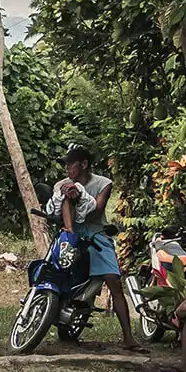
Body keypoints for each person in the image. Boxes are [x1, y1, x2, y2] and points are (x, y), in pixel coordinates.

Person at [50, 144, 142, 352]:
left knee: (113, 280)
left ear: (84, 164)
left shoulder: (103, 183)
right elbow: (55, 207)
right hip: (71, 232)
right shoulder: (63, 184)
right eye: (66, 165)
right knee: (55, 269)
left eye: (71, 164)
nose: (67, 169)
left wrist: (78, 196)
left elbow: (95, 211)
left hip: (96, 233)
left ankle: (128, 337)